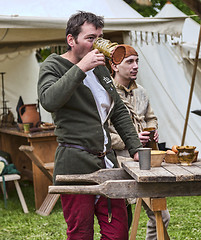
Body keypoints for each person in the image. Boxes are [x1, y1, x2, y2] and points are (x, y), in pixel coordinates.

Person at [38, 11, 142, 240]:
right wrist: (80, 68)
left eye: (100, 37)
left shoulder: (101, 68)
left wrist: (135, 149)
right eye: (91, 38)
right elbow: (49, 101)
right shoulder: (53, 65)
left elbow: (118, 111)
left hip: (107, 163)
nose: (98, 43)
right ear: (71, 40)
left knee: (118, 234)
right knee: (80, 235)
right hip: (75, 164)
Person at [109, 44, 170, 240]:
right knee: (122, 222)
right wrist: (129, 142)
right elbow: (103, 135)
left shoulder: (141, 91)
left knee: (161, 215)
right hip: (118, 163)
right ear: (115, 65)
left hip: (144, 163)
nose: (135, 66)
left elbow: (151, 117)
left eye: (137, 61)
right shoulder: (106, 94)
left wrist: (151, 130)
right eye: (129, 62)